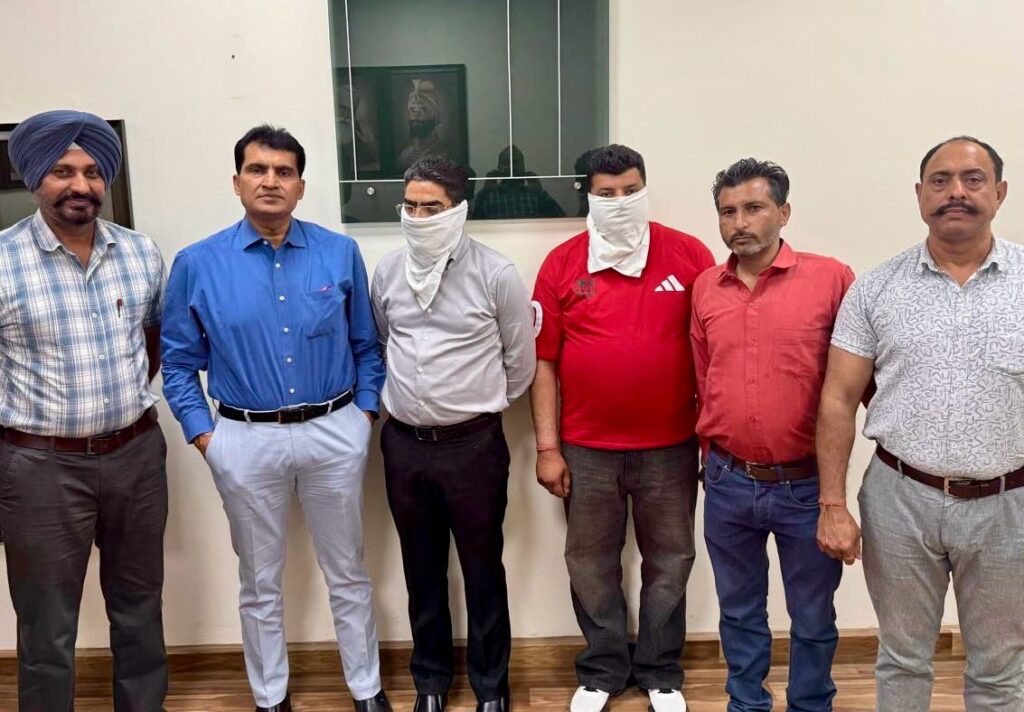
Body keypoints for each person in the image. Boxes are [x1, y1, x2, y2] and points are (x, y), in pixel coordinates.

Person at [161, 125, 389, 712]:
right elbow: (178, 363)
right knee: (259, 581)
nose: (270, 181)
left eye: (283, 171)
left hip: (334, 431)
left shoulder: (339, 253)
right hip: (244, 437)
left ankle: (366, 690)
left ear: (300, 186)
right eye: (257, 169)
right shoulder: (197, 263)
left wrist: (362, 416)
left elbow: (366, 345)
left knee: (348, 571)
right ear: (237, 182)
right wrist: (206, 437)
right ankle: (270, 697)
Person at [816, 136, 1024, 711]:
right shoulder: (876, 288)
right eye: (940, 180)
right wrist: (833, 504)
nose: (956, 192)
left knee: (1001, 666)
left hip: (1009, 503)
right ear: (919, 195)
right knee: (902, 659)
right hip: (900, 499)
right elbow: (837, 398)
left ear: (1000, 192)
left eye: (973, 179)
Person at [531, 144, 715, 712]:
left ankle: (660, 671)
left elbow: (713, 351)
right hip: (586, 449)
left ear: (645, 188)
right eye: (606, 193)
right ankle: (602, 670)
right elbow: (543, 363)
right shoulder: (561, 264)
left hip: (672, 447)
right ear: (587, 196)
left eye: (631, 190)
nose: (620, 200)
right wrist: (547, 447)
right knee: (590, 562)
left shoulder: (689, 255)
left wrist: (711, 438)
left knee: (671, 559)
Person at [0, 109, 168, 711]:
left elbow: (152, 343)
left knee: (140, 608)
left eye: (94, 172)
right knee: (46, 624)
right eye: (63, 171)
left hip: (136, 457)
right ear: (35, 178)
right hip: (39, 468)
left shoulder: (140, 254)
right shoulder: (3, 260)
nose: (81, 185)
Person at [372, 155, 536, 712]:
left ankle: (491, 687)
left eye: (432, 207)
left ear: (458, 210)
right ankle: (431, 682)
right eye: (410, 206)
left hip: (473, 447)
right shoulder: (387, 272)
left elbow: (520, 361)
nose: (418, 217)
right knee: (421, 569)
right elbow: (382, 343)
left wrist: (470, 406)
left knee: (483, 568)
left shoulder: (496, 274)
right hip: (404, 445)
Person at [691, 158, 854, 711]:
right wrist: (710, 459)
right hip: (728, 481)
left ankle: (810, 704)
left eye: (754, 208)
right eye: (728, 212)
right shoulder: (705, 288)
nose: (740, 222)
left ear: (784, 213)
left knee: (812, 616)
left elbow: (857, 380)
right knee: (738, 612)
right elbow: (703, 377)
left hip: (805, 486)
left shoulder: (831, 279)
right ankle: (746, 703)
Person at [471, 145, 566, 220]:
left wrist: (540, 193)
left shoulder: (534, 195)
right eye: (506, 162)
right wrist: (484, 192)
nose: (511, 167)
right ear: (498, 167)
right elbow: (470, 224)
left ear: (523, 167)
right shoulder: (489, 197)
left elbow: (562, 220)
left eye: (515, 162)